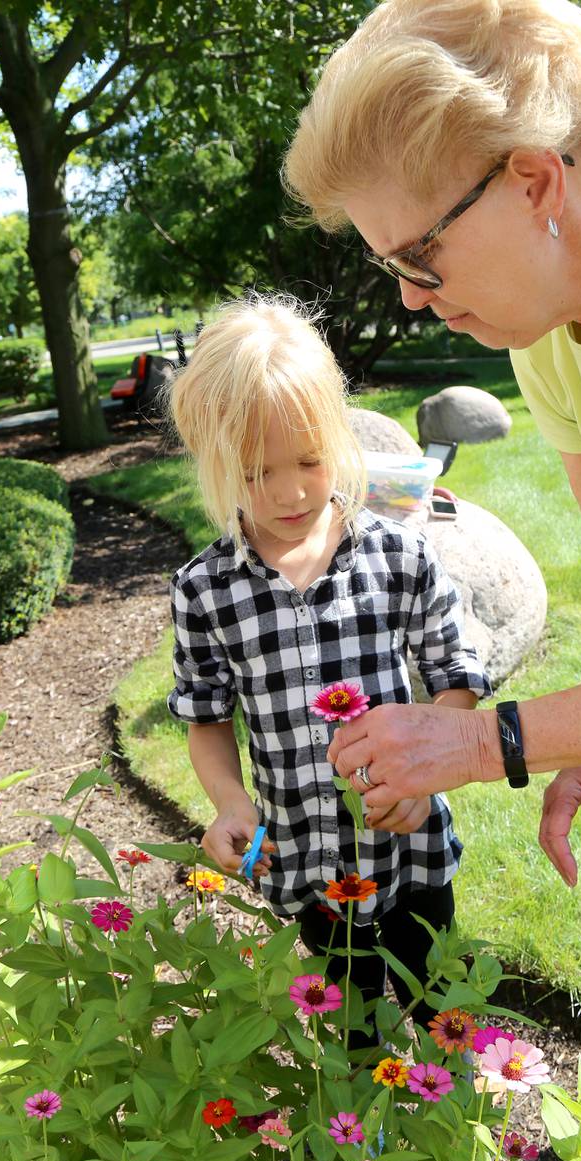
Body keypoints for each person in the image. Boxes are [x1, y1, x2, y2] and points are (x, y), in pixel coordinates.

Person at [282, 0, 581, 1095]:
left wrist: (493, 739)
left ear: (535, 179)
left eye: (418, 255)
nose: (408, 296)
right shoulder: (546, 315)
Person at [166, 293, 490, 1046]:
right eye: (255, 472)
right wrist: (227, 803)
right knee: (352, 1026)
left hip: (408, 849)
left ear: (338, 437)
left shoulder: (396, 554)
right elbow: (207, 717)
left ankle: (455, 1127)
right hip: (310, 863)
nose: (290, 491)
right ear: (213, 464)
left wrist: (430, 769)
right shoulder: (205, 588)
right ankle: (363, 1147)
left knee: (440, 1005)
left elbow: (455, 672)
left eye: (309, 460)